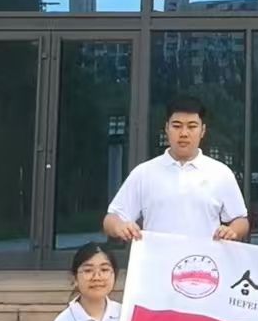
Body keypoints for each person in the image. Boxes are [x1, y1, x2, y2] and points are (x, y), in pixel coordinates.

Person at [103, 98, 249, 245]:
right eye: (177, 126)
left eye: (192, 126)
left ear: (203, 131)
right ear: (167, 128)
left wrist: (232, 231)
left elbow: (240, 220)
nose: (184, 133)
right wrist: (119, 227)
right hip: (157, 258)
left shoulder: (220, 173)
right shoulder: (144, 173)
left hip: (204, 258)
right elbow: (111, 218)